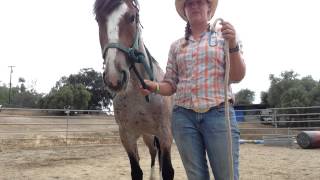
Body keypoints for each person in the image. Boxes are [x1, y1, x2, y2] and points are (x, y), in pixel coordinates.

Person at [140, 0, 246, 179]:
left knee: (226, 175)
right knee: (195, 176)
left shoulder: (225, 37)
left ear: (209, 8)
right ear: (185, 11)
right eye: (189, 3)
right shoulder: (176, 46)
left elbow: (236, 76)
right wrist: (155, 87)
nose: (195, 6)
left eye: (200, 2)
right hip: (183, 118)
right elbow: (171, 84)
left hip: (219, 114)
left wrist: (233, 44)